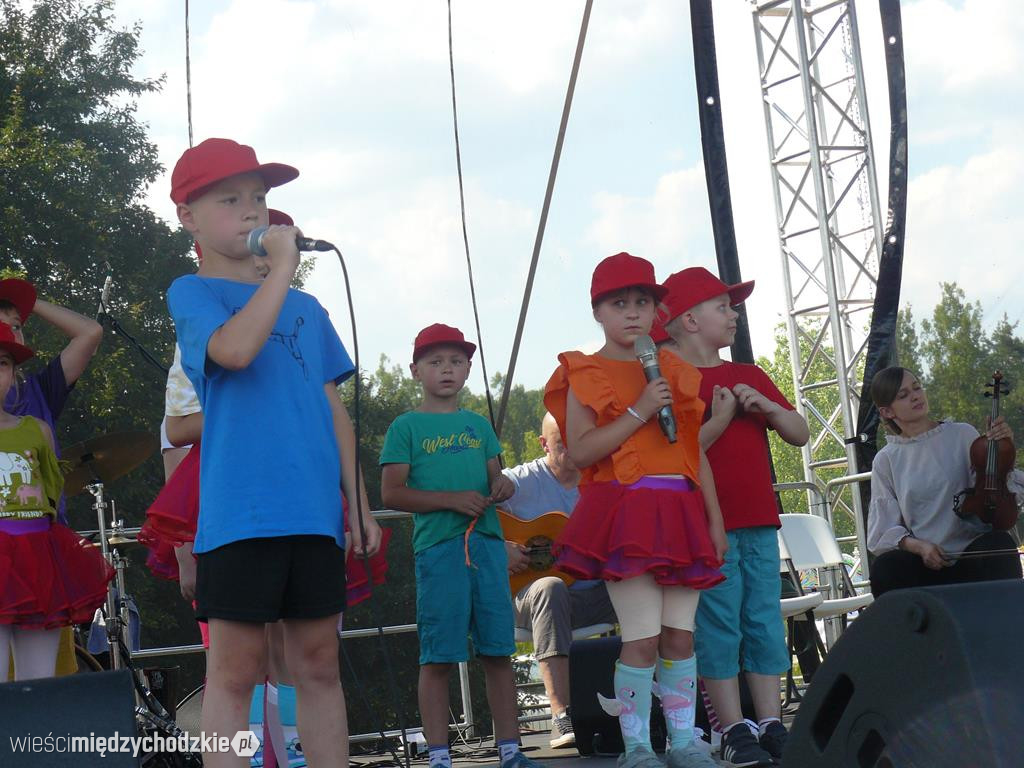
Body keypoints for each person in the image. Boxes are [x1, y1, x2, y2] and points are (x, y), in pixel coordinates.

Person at [166, 137, 381, 768]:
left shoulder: (309, 310)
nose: (252, 211)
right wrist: (282, 269)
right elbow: (232, 352)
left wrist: (358, 504)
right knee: (235, 671)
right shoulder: (192, 292)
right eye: (230, 199)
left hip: (313, 510)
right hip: (242, 512)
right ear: (190, 218)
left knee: (317, 663)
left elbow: (333, 411)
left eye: (259, 198)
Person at [545, 252, 727, 768]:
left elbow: (694, 455)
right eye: (618, 303)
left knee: (681, 636)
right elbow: (579, 453)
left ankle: (686, 740)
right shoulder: (583, 371)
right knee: (642, 638)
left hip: (682, 511)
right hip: (626, 515)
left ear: (656, 312)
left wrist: (715, 520)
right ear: (598, 312)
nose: (632, 313)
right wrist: (640, 409)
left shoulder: (675, 369)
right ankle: (638, 748)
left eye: (642, 302)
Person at [661, 266, 809, 766]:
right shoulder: (670, 382)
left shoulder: (748, 374)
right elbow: (672, 456)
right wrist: (720, 421)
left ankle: (770, 721)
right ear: (689, 320)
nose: (734, 314)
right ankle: (730, 727)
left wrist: (766, 406)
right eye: (722, 306)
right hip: (706, 525)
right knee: (719, 624)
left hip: (760, 521)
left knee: (763, 619)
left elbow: (799, 432)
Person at [380, 323, 544, 768]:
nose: (446, 370)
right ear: (416, 371)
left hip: (489, 547)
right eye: (435, 362)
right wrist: (450, 501)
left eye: (455, 361)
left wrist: (503, 485)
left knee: (498, 650)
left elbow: (496, 475)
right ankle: (438, 756)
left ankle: (511, 750)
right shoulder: (405, 426)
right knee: (437, 655)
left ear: (469, 369)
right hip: (438, 550)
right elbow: (391, 492)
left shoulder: (478, 425)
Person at [0, 277, 104, 677]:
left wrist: (27, 301)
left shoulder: (40, 392)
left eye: (17, 325)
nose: (11, 330)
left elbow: (90, 332)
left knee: (44, 681)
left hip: (38, 555)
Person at [503, 412, 618, 749]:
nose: (570, 445)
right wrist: (496, 548)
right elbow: (470, 515)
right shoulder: (519, 482)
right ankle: (562, 714)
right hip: (528, 598)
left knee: (639, 581)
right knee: (550, 586)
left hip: (591, 595)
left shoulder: (603, 481)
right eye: (560, 440)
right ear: (543, 444)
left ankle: (658, 703)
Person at [866, 366, 1023, 597]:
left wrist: (1002, 449)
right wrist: (919, 547)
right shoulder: (886, 460)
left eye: (917, 388)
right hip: (928, 562)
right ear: (888, 411)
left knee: (999, 544)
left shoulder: (962, 434)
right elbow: (885, 529)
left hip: (975, 555)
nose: (916, 396)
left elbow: (992, 487)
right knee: (886, 568)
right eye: (904, 395)